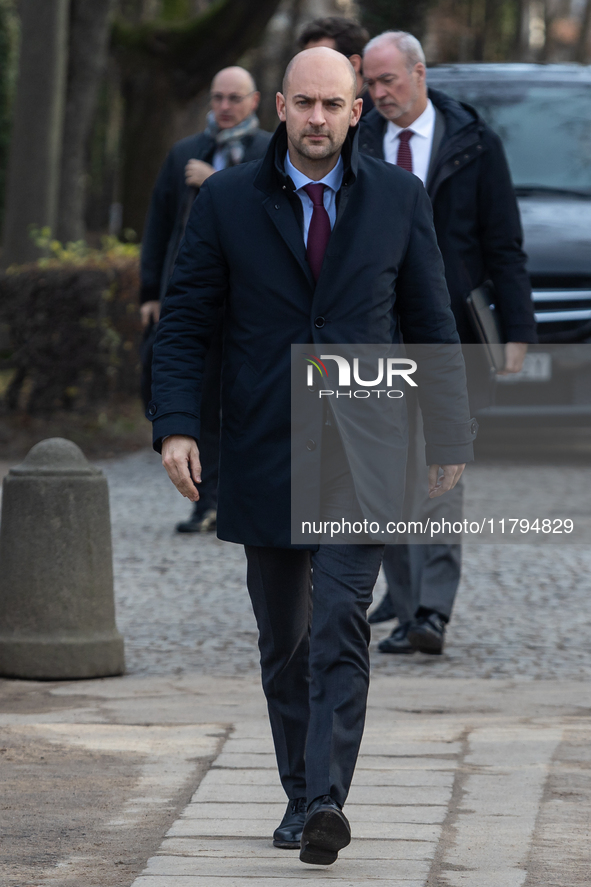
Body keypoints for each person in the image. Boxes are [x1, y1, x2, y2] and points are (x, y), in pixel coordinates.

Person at [148, 47, 476, 866]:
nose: (319, 119)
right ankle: (301, 791)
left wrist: (448, 434)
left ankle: (327, 797)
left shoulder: (397, 201)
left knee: (338, 621)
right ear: (282, 109)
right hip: (264, 443)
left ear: (357, 109)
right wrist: (177, 425)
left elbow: (431, 322)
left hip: (364, 448)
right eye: (304, 104)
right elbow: (185, 322)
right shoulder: (225, 202)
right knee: (284, 638)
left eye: (334, 104)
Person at [360, 31, 537, 654]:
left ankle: (432, 611)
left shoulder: (475, 142)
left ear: (419, 73)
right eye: (371, 83)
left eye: (390, 81)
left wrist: (517, 330)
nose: (380, 94)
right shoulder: (359, 143)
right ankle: (406, 610)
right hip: (378, 336)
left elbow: (503, 242)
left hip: (452, 335)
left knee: (441, 471)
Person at [139, 67, 272, 532]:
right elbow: (158, 228)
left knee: (245, 402)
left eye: (234, 98)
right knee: (196, 400)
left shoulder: (272, 150)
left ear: (255, 101)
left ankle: (243, 497)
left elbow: (271, 214)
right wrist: (151, 293)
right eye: (217, 97)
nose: (224, 106)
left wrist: (216, 179)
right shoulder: (184, 153)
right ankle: (204, 501)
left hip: (251, 301)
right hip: (195, 297)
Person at [297, 15, 374, 117]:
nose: (310, 72)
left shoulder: (382, 121)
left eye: (321, 62)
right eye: (306, 63)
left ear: (353, 64)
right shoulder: (306, 114)